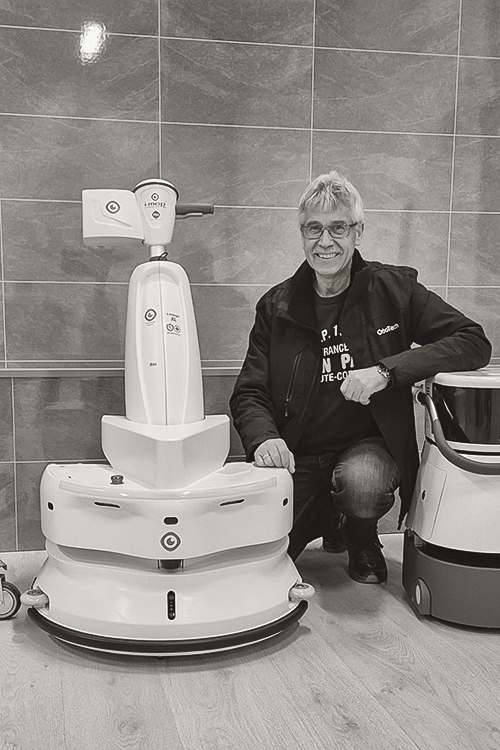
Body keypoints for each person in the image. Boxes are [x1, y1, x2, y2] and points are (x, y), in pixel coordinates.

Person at [229, 170, 492, 584]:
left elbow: (473, 341)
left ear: (358, 231)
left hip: (366, 448)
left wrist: (387, 372)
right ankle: (331, 520)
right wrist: (264, 439)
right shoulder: (277, 306)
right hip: (299, 453)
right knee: (255, 562)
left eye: (338, 228)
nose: (325, 241)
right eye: (314, 228)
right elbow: (250, 391)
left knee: (363, 486)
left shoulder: (392, 290)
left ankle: (361, 535)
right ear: (302, 234)